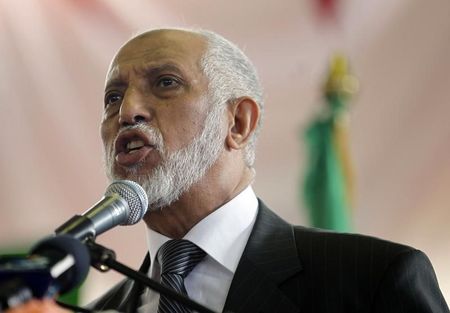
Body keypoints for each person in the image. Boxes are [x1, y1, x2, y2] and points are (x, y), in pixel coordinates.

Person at [7, 28, 449, 313]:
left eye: (165, 83)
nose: (128, 111)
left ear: (238, 122)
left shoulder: (370, 281)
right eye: (112, 97)